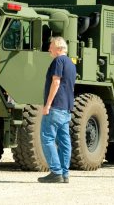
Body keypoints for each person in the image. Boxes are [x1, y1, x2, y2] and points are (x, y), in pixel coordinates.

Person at [38, 37, 76, 183]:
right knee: (65, 141)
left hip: (55, 107)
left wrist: (48, 104)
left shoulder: (58, 61)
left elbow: (56, 82)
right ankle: (65, 174)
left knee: (47, 138)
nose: (49, 49)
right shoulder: (72, 64)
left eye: (51, 47)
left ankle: (56, 172)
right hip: (66, 108)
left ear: (59, 48)